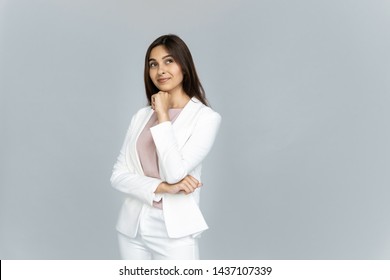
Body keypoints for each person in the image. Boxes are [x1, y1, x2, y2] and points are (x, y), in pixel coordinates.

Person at [110, 34, 221, 260]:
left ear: (184, 66)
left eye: (169, 61)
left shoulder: (206, 118)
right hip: (132, 229)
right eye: (153, 64)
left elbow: (174, 173)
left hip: (174, 233)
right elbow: (117, 176)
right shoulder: (140, 116)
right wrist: (162, 188)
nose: (160, 70)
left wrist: (162, 115)